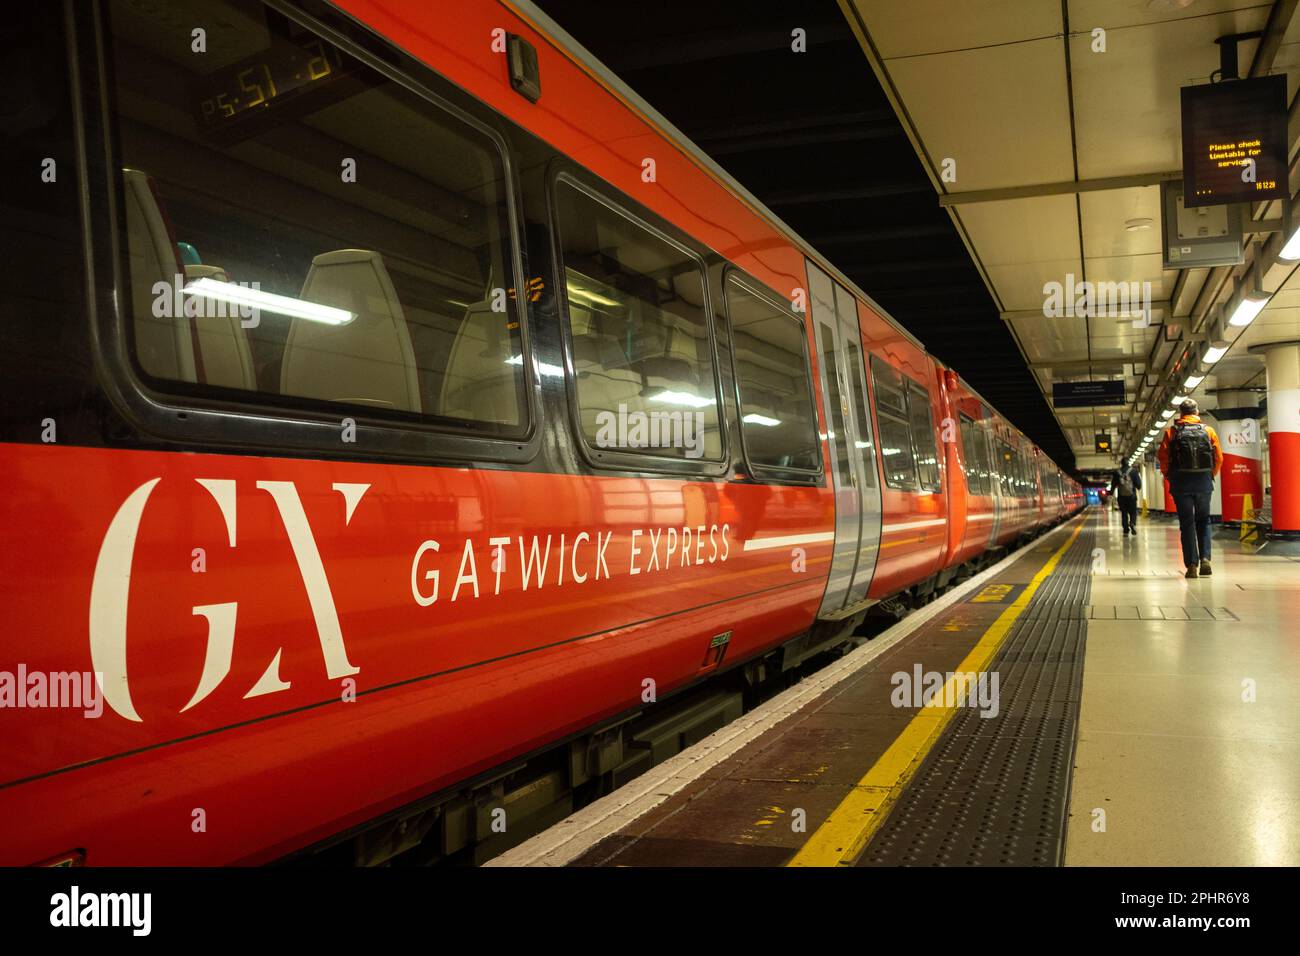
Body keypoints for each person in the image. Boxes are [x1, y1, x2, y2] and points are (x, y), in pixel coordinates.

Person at [1157, 399, 1224, 578]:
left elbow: (1163, 458)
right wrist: (1210, 475)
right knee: (1204, 521)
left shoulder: (1171, 432)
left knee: (1187, 523)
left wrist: (1169, 477)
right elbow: (1219, 458)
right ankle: (1206, 559)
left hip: (1181, 483)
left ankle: (1192, 565)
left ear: (1181, 413)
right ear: (1197, 412)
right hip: (1203, 482)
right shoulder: (1208, 430)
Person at [1109, 463, 1142, 535]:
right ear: (1128, 463)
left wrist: (1111, 493)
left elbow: (1113, 484)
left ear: (1121, 463)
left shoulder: (1117, 472)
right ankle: (1132, 523)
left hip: (1121, 497)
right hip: (1132, 496)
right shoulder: (1133, 471)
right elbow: (1139, 485)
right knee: (1133, 512)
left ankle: (1125, 530)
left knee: (1124, 513)